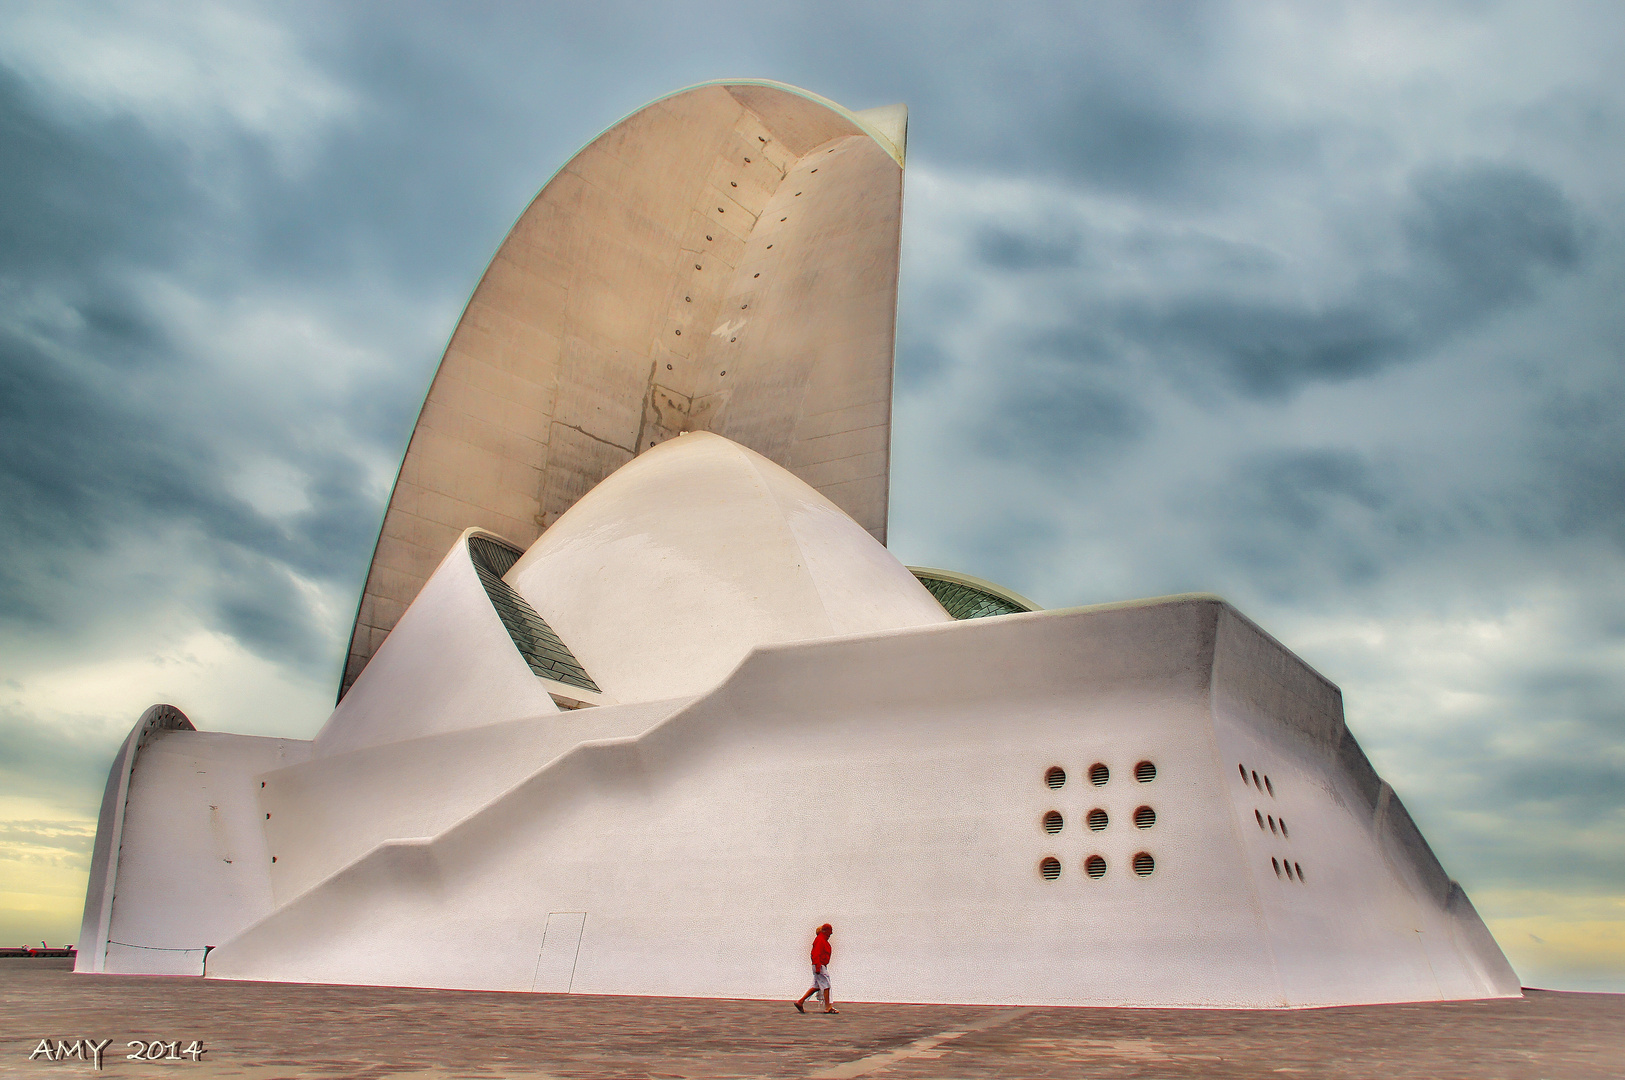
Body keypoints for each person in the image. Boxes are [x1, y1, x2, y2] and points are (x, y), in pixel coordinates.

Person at [795, 924, 838, 1014]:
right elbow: (816, 954)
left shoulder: (821, 939)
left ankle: (800, 1001)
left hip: (819, 965)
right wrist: (818, 967)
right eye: (830, 931)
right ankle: (828, 1007)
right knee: (826, 986)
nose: (831, 933)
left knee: (816, 986)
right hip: (819, 965)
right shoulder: (820, 940)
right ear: (826, 931)